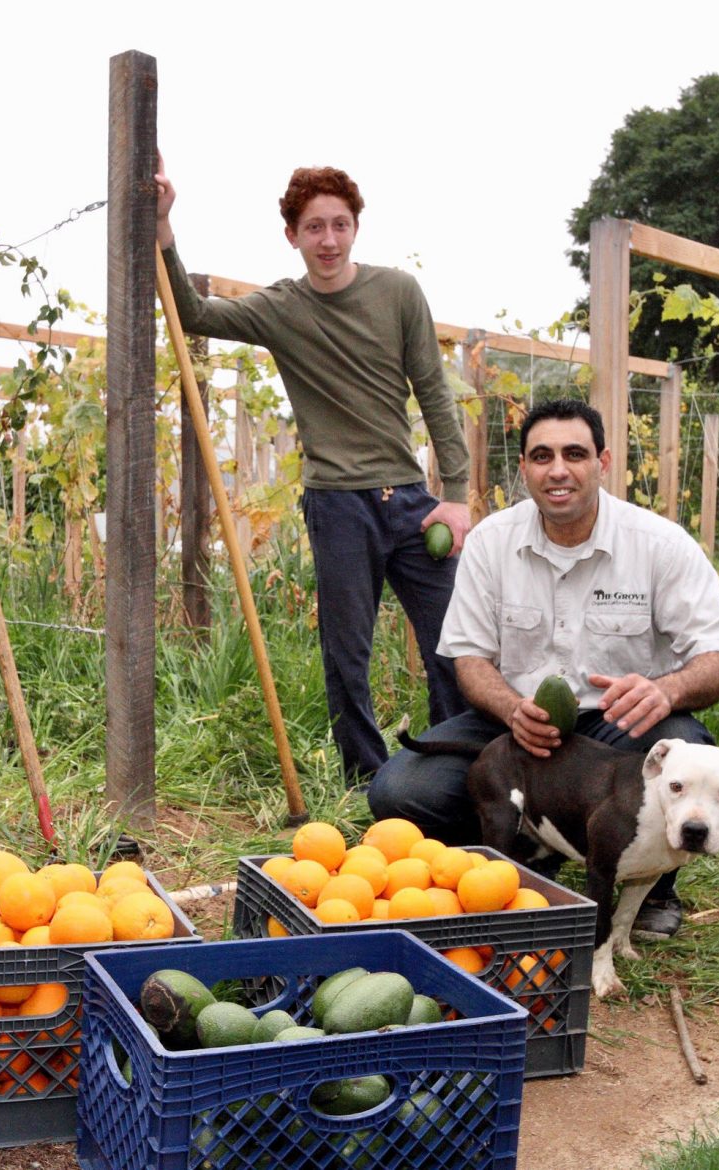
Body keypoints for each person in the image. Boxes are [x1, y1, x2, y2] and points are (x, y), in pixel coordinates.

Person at [368, 398, 719, 937]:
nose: (558, 469)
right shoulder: (493, 543)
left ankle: (652, 881)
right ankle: (523, 852)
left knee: (680, 737)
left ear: (603, 463)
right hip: (517, 726)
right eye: (542, 456)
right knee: (397, 791)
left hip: (617, 727)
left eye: (575, 454)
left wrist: (664, 690)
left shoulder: (660, 545)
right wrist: (509, 708)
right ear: (523, 468)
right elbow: (469, 661)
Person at [155, 161, 472, 786]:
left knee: (452, 647)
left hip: (410, 503)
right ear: (292, 235)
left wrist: (456, 495)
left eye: (339, 225)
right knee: (346, 655)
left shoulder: (398, 292)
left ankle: (454, 772)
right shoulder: (281, 308)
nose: (328, 240)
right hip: (338, 507)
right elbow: (193, 313)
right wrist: (164, 226)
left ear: (356, 228)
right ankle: (368, 782)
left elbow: (433, 391)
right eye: (313, 227)